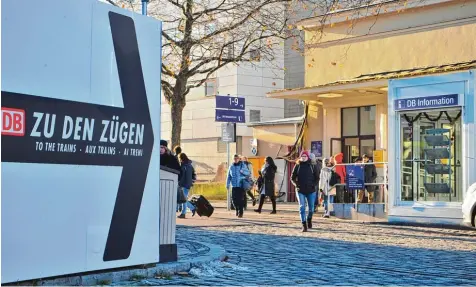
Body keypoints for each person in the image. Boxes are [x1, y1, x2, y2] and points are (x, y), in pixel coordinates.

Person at [291, 151, 319, 232]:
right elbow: (292, 178)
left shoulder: (312, 166)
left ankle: (309, 219)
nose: (303, 157)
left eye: (305, 156)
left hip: (311, 190)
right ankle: (304, 224)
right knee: (302, 207)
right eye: (302, 156)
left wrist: (314, 185)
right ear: (300, 157)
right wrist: (296, 184)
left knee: (311, 209)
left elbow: (317, 178)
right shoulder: (297, 165)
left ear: (308, 157)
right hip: (300, 190)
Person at [177, 153, 196, 219]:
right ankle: (183, 213)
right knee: (183, 199)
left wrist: (179, 183)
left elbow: (181, 176)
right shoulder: (190, 165)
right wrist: (192, 181)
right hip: (187, 185)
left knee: (183, 199)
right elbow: (194, 174)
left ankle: (192, 208)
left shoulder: (183, 166)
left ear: (181, 158)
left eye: (179, 158)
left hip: (183, 184)